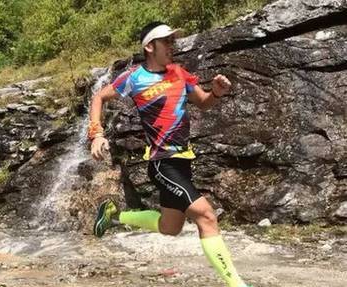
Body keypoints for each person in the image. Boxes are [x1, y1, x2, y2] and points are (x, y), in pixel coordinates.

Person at [89, 21, 250, 287]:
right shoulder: (133, 77)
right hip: (163, 163)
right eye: (167, 42)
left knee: (170, 227)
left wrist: (217, 93)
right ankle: (238, 285)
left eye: (173, 42)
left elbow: (204, 102)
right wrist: (96, 133)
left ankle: (114, 215)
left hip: (183, 161)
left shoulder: (179, 73)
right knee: (206, 216)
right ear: (149, 47)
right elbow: (99, 98)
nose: (172, 47)